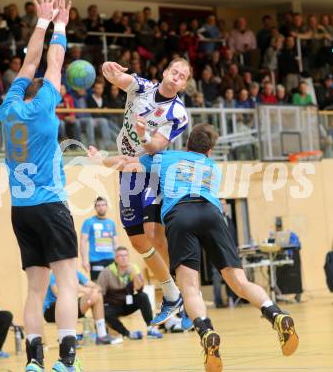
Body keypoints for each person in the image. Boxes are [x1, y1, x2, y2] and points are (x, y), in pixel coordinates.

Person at [88, 122, 299, 372]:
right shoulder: (212, 166)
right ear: (209, 151)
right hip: (211, 213)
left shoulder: (164, 157)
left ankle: (206, 331)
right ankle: (275, 314)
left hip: (180, 215)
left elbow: (126, 163)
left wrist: (100, 159)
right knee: (239, 281)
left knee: (189, 286)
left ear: (187, 143)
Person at [0, 0, 83, 372]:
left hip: (21, 211)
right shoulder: (45, 106)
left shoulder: (7, 109)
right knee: (66, 283)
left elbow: (31, 59)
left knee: (35, 289)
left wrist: (42, 21)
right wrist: (61, 23)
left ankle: (34, 360)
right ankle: (67, 360)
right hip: (50, 206)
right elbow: (53, 61)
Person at [102, 57, 192, 326]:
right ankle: (173, 293)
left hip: (150, 167)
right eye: (173, 71)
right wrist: (109, 70)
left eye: (182, 76)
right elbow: (119, 79)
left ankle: (182, 294)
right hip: (127, 169)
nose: (176, 77)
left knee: (154, 234)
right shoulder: (141, 87)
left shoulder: (178, 113)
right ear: (164, 71)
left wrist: (143, 136)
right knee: (137, 240)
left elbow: (157, 146)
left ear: (184, 84)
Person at [97, 246, 162, 340]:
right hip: (113, 305)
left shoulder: (134, 268)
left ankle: (150, 328)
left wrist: (134, 273)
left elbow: (139, 289)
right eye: (120, 256)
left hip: (128, 303)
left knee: (143, 296)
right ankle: (127, 333)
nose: (123, 258)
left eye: (126, 255)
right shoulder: (106, 272)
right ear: (115, 259)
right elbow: (100, 293)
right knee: (105, 311)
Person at [43, 270, 121, 345]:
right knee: (69, 301)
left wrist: (94, 290)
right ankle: (69, 339)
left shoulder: (75, 273)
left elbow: (94, 286)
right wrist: (81, 289)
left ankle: (102, 336)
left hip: (70, 308)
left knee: (98, 296)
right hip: (51, 311)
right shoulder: (55, 274)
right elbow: (58, 294)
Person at [80, 197, 118, 280]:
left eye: (103, 205)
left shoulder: (111, 223)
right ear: (95, 207)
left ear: (107, 206)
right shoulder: (89, 222)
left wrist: (117, 258)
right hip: (96, 260)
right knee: (97, 287)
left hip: (111, 260)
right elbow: (83, 241)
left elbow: (115, 243)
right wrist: (84, 260)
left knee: (112, 287)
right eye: (98, 205)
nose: (101, 207)